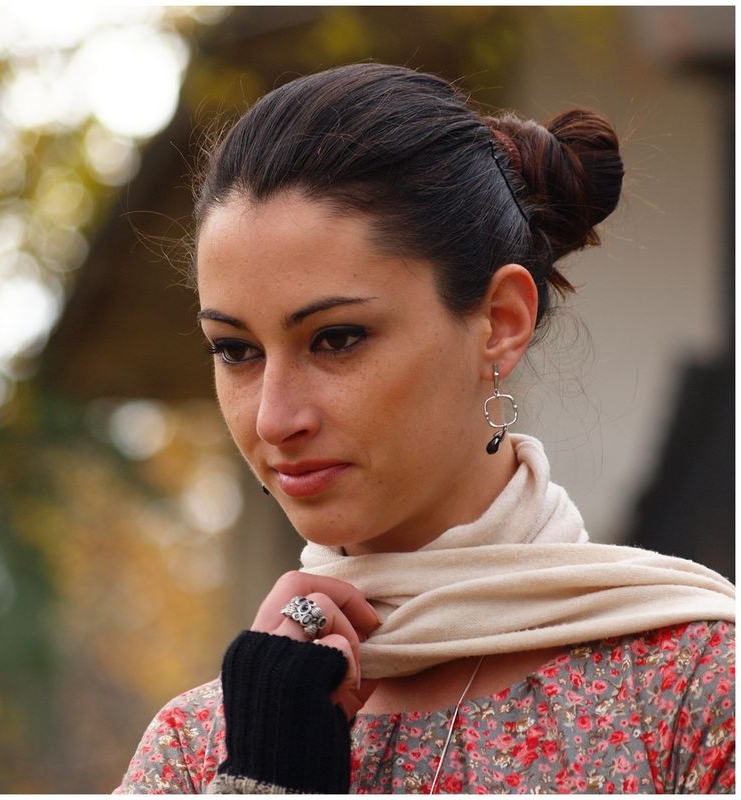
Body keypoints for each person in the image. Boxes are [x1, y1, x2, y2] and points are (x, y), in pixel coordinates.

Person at [115, 63, 735, 794]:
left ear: (500, 322)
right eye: (236, 351)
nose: (275, 419)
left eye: (336, 338)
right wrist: (266, 775)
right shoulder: (200, 750)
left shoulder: (692, 693)